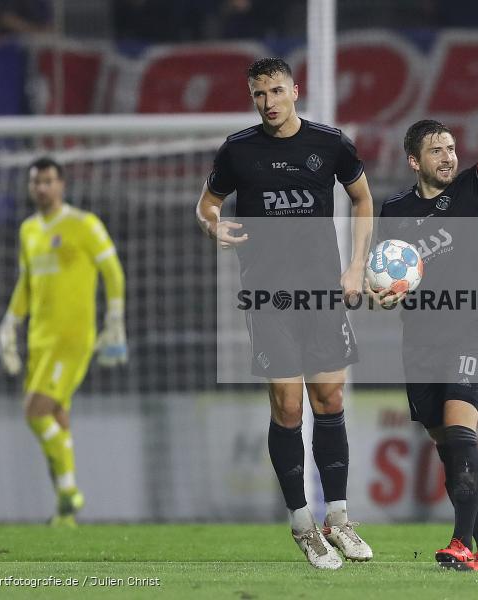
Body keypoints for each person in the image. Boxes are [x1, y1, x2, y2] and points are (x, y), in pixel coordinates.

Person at [195, 57, 374, 570]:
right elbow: (207, 204)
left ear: (295, 91)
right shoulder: (238, 150)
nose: (268, 102)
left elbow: (362, 199)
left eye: (276, 91)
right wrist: (213, 224)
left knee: (330, 398)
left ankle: (338, 519)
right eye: (259, 94)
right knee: (289, 408)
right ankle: (302, 524)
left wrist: (356, 265)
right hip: (268, 296)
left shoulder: (330, 143)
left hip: (322, 293)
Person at [374, 60, 478, 571]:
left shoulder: (471, 190)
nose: (448, 156)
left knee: (461, 434)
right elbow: (388, 278)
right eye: (436, 150)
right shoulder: (393, 211)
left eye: (451, 148)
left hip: (470, 327)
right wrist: (384, 296)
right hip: (420, 339)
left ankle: (460, 543)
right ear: (413, 160)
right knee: (449, 450)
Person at [0, 157, 128, 527]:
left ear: (62, 185)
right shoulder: (28, 230)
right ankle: (66, 510)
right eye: (36, 182)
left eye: (48, 181)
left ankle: (70, 492)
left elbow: (112, 271)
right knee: (57, 416)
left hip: (72, 337)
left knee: (35, 411)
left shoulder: (84, 224)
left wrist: (114, 318)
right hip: (39, 339)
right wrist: (10, 323)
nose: (41, 188)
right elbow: (26, 283)